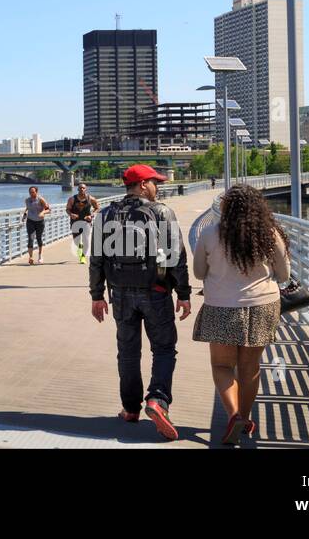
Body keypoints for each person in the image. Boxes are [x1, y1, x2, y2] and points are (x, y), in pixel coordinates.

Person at [89, 164, 192, 441]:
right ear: (144, 184)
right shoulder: (162, 212)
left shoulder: (106, 214)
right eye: (155, 182)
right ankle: (157, 400)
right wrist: (183, 293)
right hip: (156, 292)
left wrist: (97, 296)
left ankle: (131, 408)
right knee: (163, 349)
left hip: (120, 293)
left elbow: (96, 258)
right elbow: (177, 257)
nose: (158, 187)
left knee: (128, 352)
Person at [191, 183, 290, 445]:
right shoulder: (269, 233)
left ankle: (233, 415)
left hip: (221, 306)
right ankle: (245, 418)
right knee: (250, 367)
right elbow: (284, 275)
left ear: (225, 207)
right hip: (262, 306)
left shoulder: (211, 234)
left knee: (222, 366)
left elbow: (199, 273)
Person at [66, 182, 98, 265]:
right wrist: (71, 214)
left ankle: (83, 256)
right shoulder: (72, 199)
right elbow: (67, 209)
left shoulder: (90, 198)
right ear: (77, 189)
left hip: (86, 221)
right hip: (75, 222)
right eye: (80, 188)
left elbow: (97, 208)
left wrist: (92, 215)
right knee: (76, 241)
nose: (82, 189)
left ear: (86, 189)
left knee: (86, 240)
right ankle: (79, 247)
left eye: (83, 188)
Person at [21, 185, 50, 264]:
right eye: (30, 192)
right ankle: (30, 257)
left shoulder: (41, 199)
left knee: (38, 238)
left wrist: (43, 212)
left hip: (39, 222)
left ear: (36, 192)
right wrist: (24, 215)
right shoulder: (27, 200)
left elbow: (48, 210)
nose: (31, 193)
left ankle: (40, 255)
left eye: (33, 192)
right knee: (30, 239)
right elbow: (27, 208)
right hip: (30, 221)